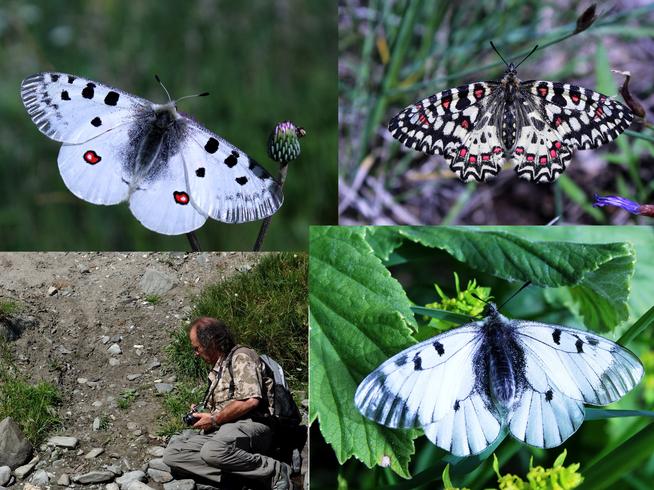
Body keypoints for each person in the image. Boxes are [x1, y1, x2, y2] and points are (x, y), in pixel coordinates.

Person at [163, 317, 292, 489]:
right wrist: (204, 413)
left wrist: (214, 419)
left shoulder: (241, 357)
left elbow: (250, 401)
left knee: (212, 451)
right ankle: (244, 478)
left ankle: (274, 471)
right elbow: (222, 407)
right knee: (172, 455)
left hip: (253, 425)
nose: (196, 353)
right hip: (225, 429)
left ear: (211, 343)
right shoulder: (218, 369)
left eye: (197, 348)